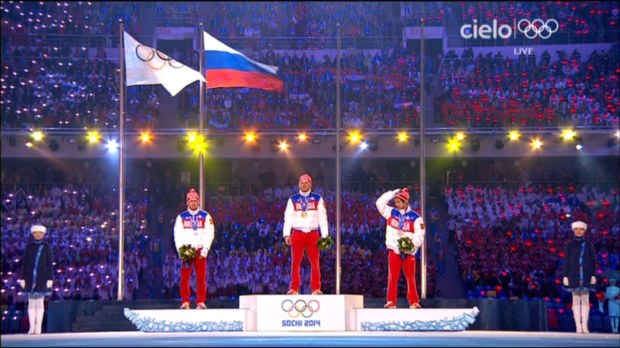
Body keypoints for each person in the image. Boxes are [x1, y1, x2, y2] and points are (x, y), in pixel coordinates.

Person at [376, 188, 425, 309]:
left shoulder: (416, 218)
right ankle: (391, 302)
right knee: (392, 277)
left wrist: (410, 245)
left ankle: (413, 302)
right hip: (394, 251)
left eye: (399, 202)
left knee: (411, 278)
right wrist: (392, 193)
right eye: (395, 201)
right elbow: (379, 203)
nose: (396, 204)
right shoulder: (391, 212)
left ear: (405, 202)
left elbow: (420, 235)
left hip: (409, 253)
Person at [282, 173, 329, 295]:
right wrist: (286, 234)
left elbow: (323, 218)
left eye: (306, 182)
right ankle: (294, 288)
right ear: (298, 184)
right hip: (297, 233)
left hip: (313, 234)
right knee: (295, 261)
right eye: (301, 182)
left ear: (311, 184)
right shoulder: (292, 199)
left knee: (315, 262)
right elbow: (288, 217)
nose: (304, 184)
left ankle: (316, 288)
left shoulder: (318, 199)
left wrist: (325, 237)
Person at [173, 188, 215, 309]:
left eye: (195, 201)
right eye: (190, 201)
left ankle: (200, 301)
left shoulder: (206, 216)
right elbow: (177, 235)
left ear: (198, 202)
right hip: (187, 249)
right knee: (185, 277)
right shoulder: (181, 217)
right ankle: (185, 301)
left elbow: (209, 233)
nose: (193, 203)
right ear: (187, 202)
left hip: (200, 249)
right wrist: (180, 250)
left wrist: (206, 248)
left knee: (201, 277)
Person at [562, 220, 597, 334]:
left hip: (586, 274)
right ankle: (578, 326)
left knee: (585, 300)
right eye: (576, 229)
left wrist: (593, 275)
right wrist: (565, 275)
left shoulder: (588, 244)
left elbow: (593, 261)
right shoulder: (569, 245)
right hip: (573, 274)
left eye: (580, 229)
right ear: (573, 231)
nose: (578, 231)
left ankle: (585, 326)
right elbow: (566, 261)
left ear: (584, 231)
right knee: (576, 300)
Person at [19, 224, 54, 334]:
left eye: (40, 233)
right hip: (30, 277)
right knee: (31, 303)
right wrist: (22, 278)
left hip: (42, 277)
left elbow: (49, 264)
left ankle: (38, 327)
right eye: (35, 233)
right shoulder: (29, 247)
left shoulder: (47, 247)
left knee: (40, 302)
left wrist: (50, 278)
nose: (37, 235)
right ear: (33, 234)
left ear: (43, 234)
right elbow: (24, 263)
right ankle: (31, 327)